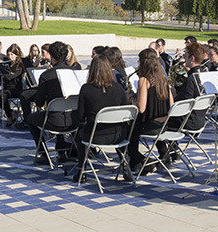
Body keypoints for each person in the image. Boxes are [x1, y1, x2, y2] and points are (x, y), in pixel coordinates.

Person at [74, 54, 131, 182]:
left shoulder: (86, 89)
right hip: (118, 135)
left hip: (95, 135)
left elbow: (81, 117)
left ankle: (81, 172)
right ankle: (126, 167)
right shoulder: (119, 89)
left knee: (80, 134)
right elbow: (125, 111)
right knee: (120, 127)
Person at [26, 41, 77, 164]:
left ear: (52, 56)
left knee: (30, 119)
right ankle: (64, 149)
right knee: (59, 111)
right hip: (75, 121)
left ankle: (43, 153)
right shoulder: (74, 72)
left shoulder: (46, 75)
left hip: (54, 121)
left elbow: (39, 102)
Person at [128, 48, 173, 174]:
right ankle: (164, 154)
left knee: (129, 132)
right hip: (163, 124)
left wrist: (132, 100)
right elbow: (172, 104)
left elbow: (141, 108)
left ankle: (143, 161)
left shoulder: (144, 80)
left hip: (150, 125)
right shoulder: (163, 78)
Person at [0, 43, 25, 127]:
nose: (10, 57)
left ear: (16, 55)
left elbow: (10, 77)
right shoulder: (7, 65)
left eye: (12, 55)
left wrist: (2, 74)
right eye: (8, 55)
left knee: (2, 95)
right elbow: (1, 78)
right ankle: (11, 113)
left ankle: (9, 117)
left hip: (16, 89)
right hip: (6, 89)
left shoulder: (20, 66)